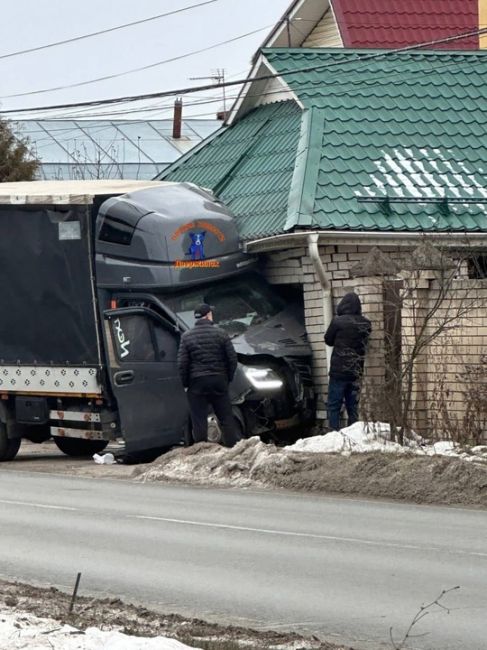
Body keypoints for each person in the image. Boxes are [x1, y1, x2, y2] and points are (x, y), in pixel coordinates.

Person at [177, 303, 240, 447]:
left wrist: (186, 384)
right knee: (226, 418)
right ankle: (232, 449)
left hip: (196, 383)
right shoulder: (221, 333)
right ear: (208, 315)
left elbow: (182, 364)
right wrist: (227, 378)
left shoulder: (186, 336)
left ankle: (202, 450)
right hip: (219, 380)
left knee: (198, 419)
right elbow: (232, 359)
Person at [324, 292, 371, 431]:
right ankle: (353, 433)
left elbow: (328, 340)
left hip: (338, 372)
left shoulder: (337, 321)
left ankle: (333, 433)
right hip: (355, 371)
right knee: (353, 406)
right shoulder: (366, 323)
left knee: (334, 405)